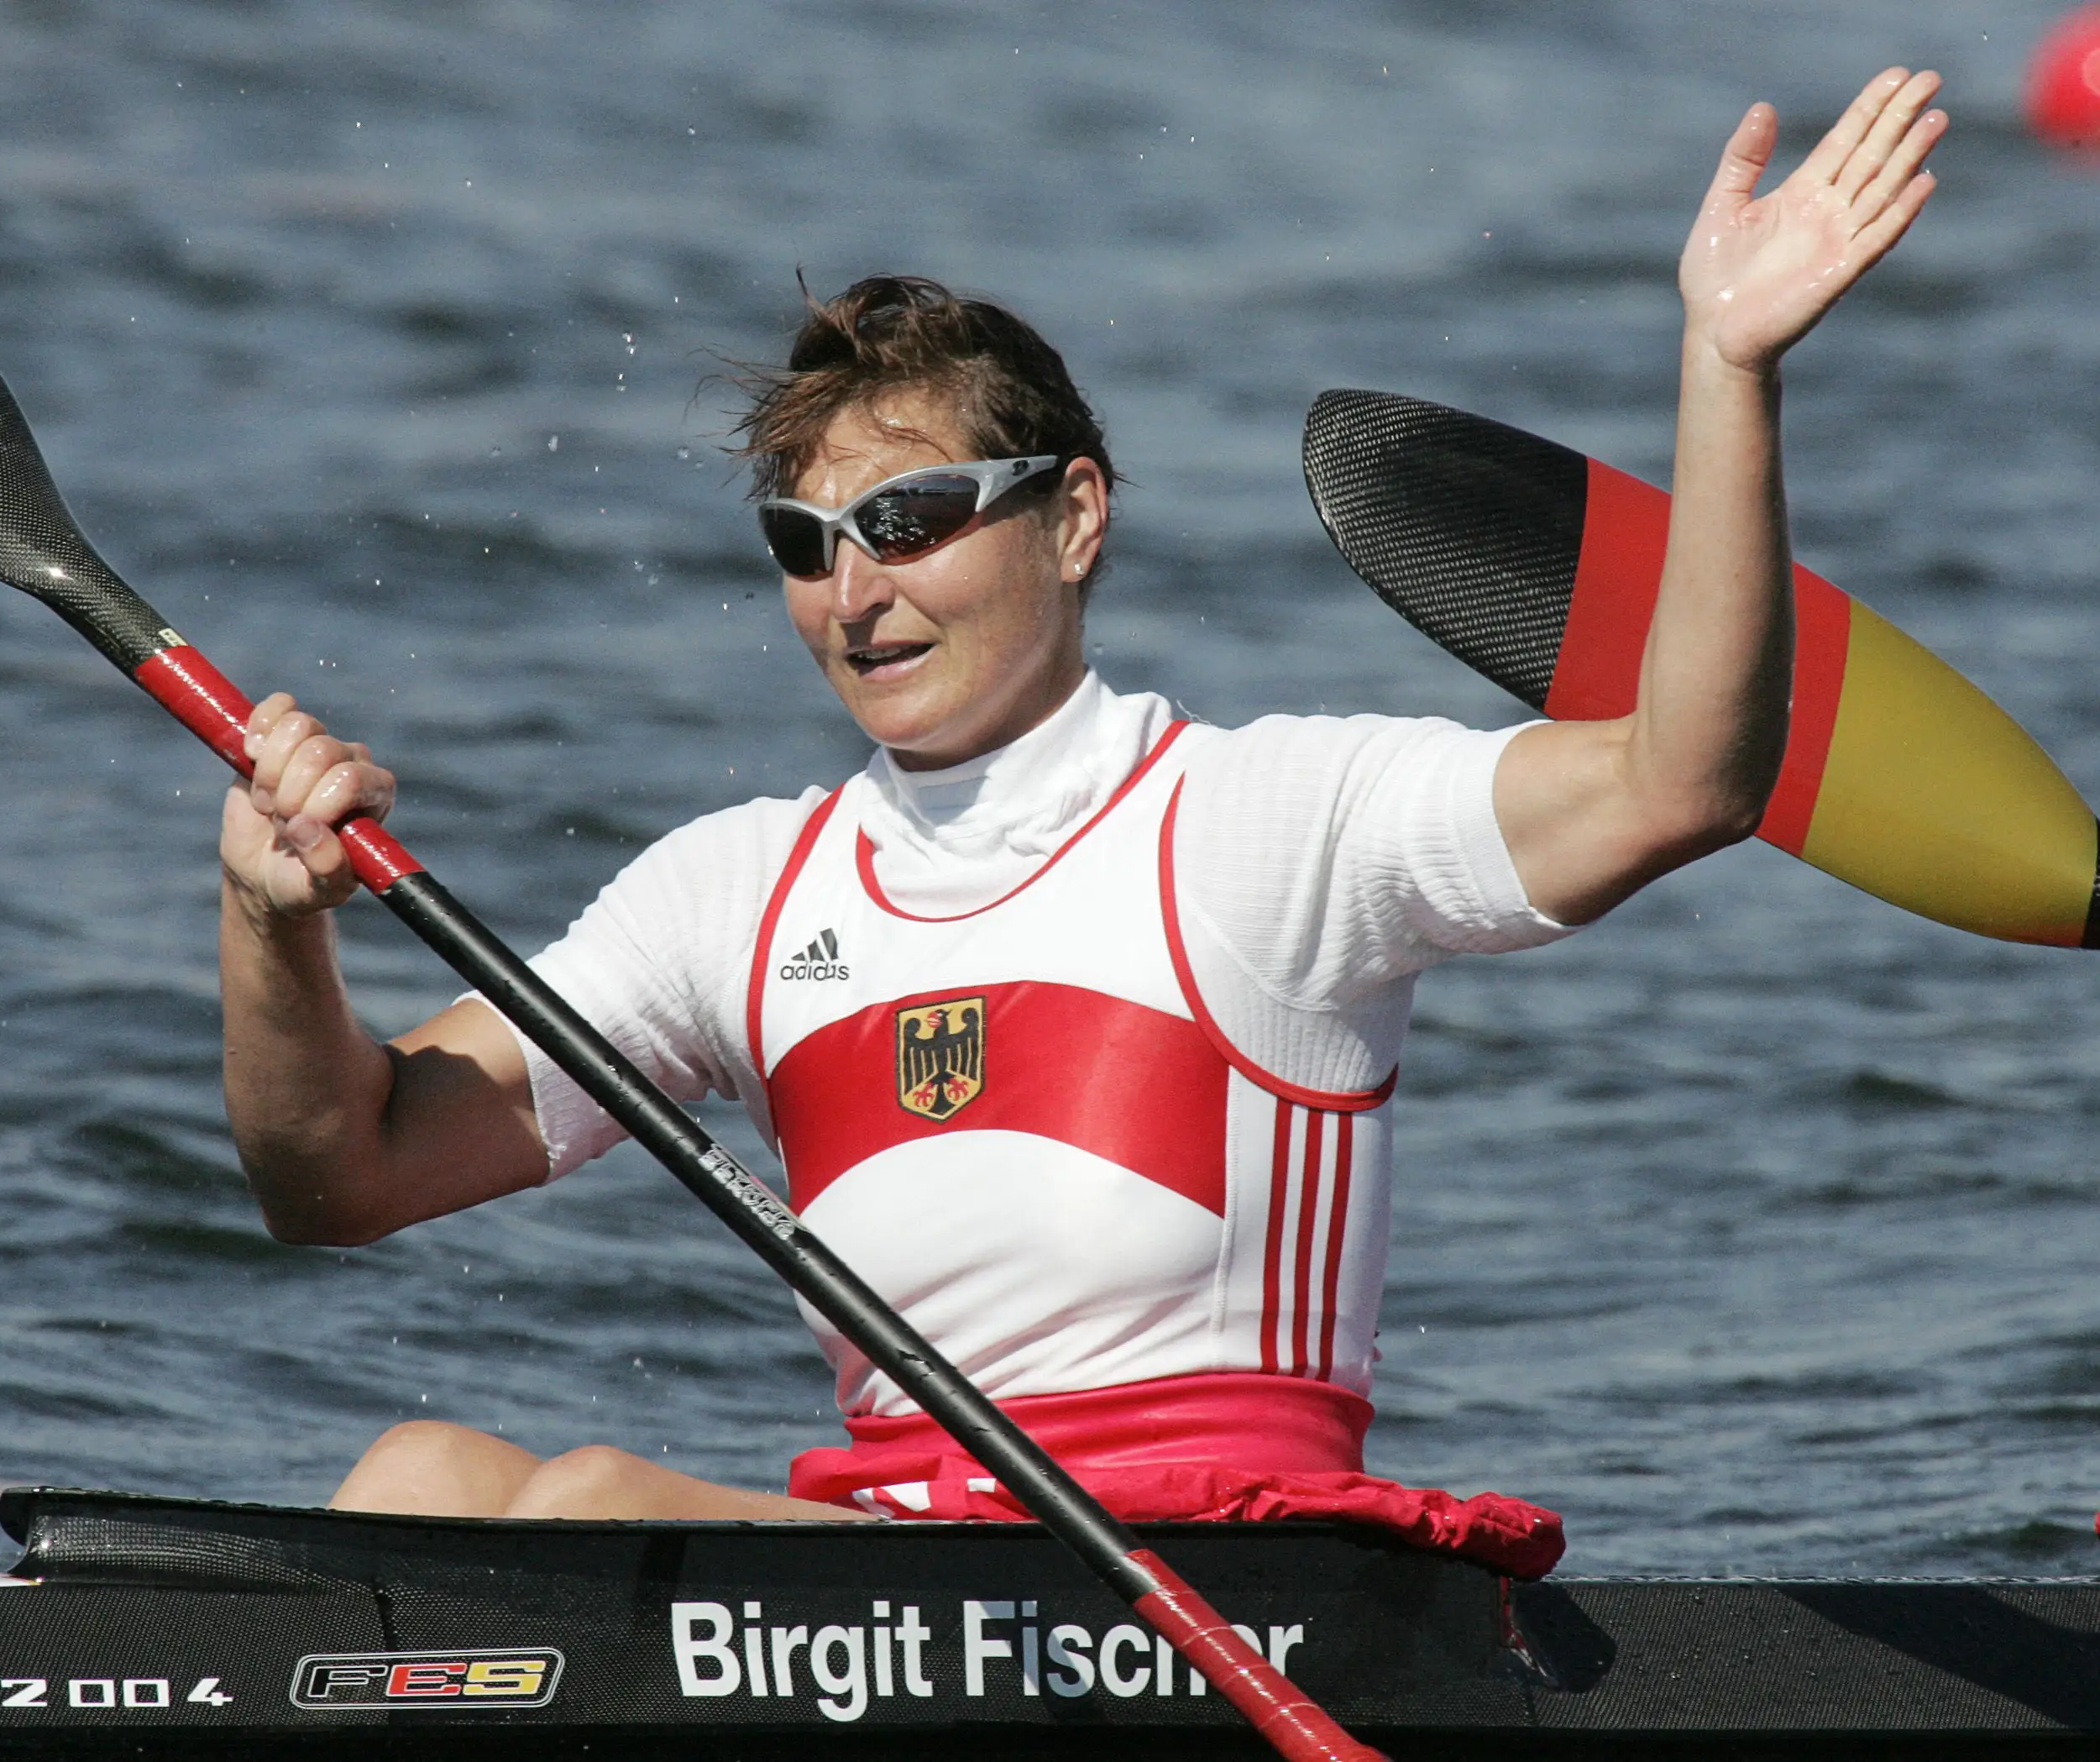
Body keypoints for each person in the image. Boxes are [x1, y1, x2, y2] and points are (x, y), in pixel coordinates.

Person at [217, 71, 1943, 1548]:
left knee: (588, 1501)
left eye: (911, 519)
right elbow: (340, 1169)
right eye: (807, 547)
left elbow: (1685, 776)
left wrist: (1731, 368)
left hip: (1220, 1583)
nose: (855, 592)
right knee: (416, 1477)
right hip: (880, 1578)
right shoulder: (736, 896)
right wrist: (271, 922)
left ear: (1076, 516)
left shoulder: (1267, 825)